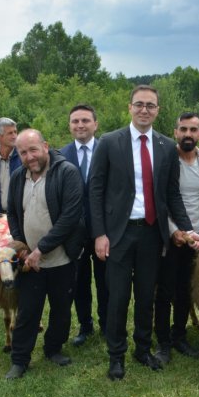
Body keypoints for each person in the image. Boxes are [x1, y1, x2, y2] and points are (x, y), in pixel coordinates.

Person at [88, 85, 199, 380]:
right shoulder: (109, 142)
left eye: (150, 106)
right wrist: (100, 234)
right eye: (139, 104)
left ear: (158, 111)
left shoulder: (167, 146)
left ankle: (142, 349)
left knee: (144, 297)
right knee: (117, 298)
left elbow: (172, 194)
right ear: (129, 107)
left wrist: (188, 230)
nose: (144, 110)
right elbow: (96, 191)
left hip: (153, 233)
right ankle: (116, 356)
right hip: (118, 234)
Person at [4, 129, 84, 379]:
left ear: (46, 146)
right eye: (23, 152)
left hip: (61, 258)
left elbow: (69, 218)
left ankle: (54, 349)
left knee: (61, 308)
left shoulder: (66, 173)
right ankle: (19, 359)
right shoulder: (18, 177)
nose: (29, 156)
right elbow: (13, 215)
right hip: (30, 262)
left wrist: (41, 249)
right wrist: (23, 247)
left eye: (33, 149)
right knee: (28, 311)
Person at [154, 112, 199, 365]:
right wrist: (175, 232)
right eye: (183, 129)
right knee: (164, 290)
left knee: (185, 289)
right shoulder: (165, 161)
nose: (188, 134)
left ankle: (179, 336)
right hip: (170, 237)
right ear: (175, 132)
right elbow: (161, 202)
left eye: (194, 130)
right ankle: (162, 341)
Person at [59, 104, 108, 346]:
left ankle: (107, 324)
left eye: (85, 120)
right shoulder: (60, 155)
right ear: (70, 126)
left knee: (105, 281)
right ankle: (85, 324)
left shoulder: (108, 150)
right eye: (75, 121)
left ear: (95, 124)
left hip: (104, 231)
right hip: (73, 232)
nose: (80, 125)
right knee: (79, 282)